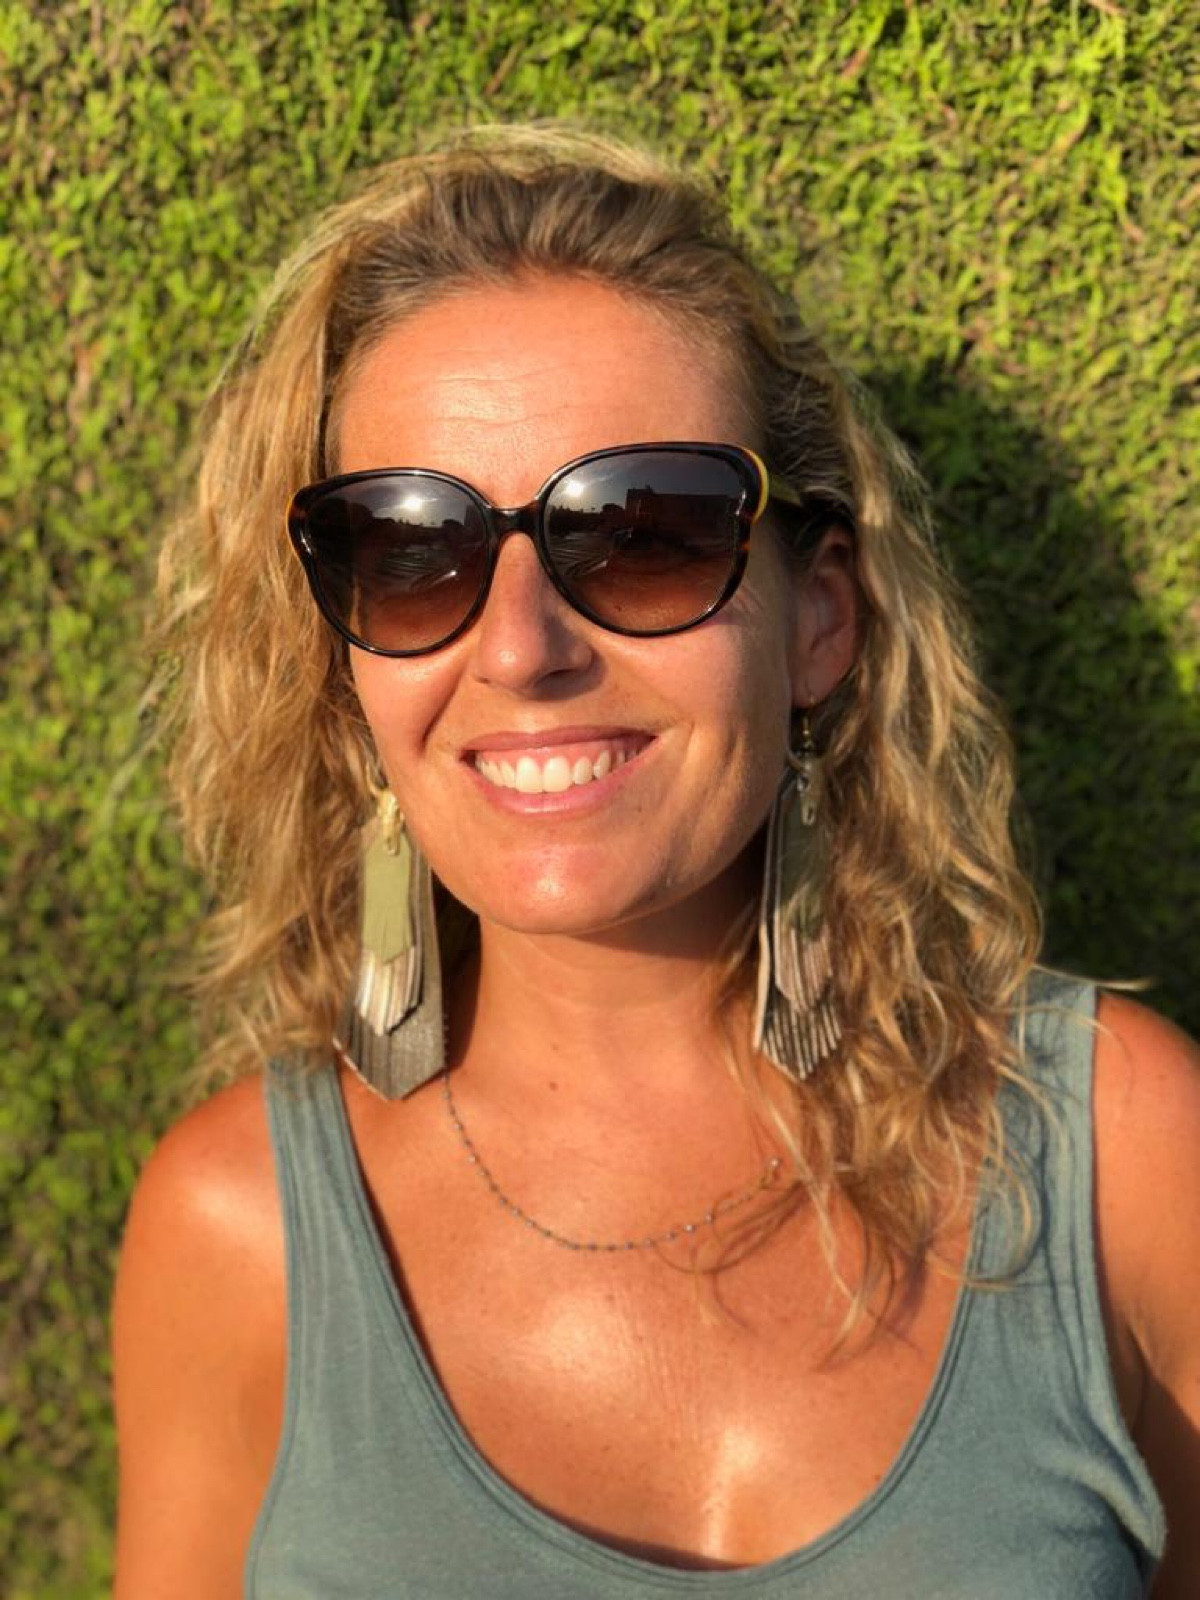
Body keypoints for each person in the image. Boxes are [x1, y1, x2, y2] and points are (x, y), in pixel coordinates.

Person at [111, 125, 1200, 1598]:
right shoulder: (237, 1231)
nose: (520, 649)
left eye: (642, 535)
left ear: (819, 620)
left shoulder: (1123, 1156)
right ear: (346, 658)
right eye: (411, 551)